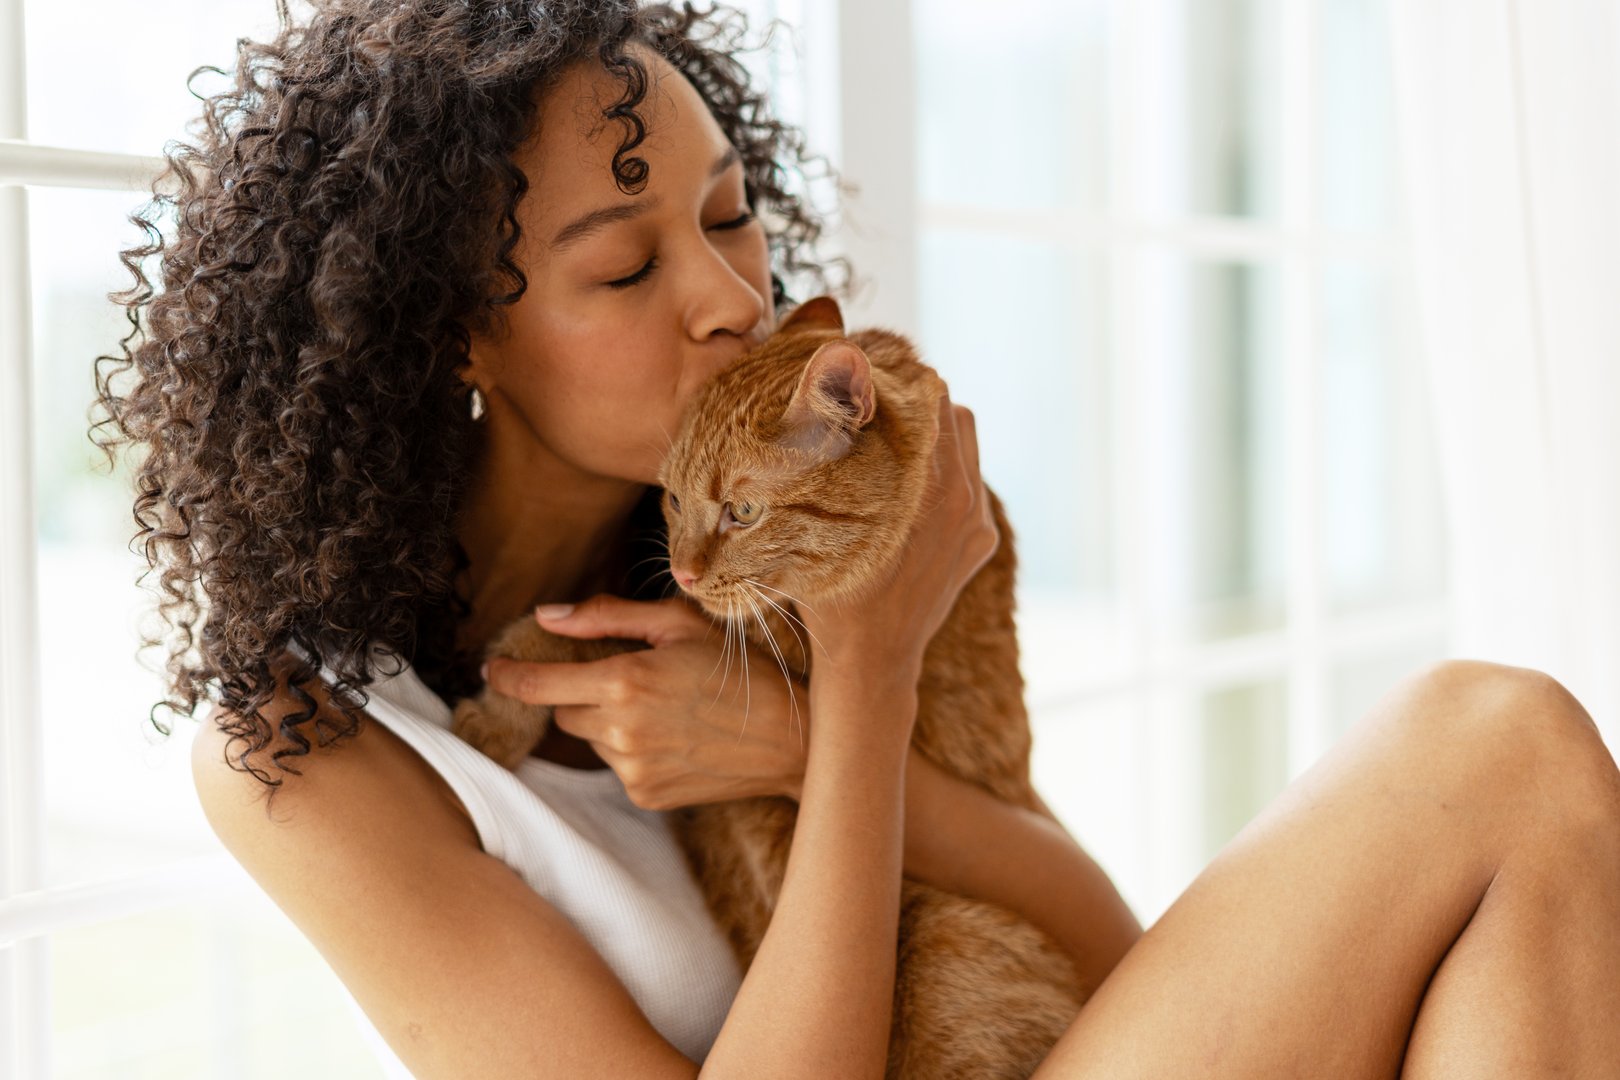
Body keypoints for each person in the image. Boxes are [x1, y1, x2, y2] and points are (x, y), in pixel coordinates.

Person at [92, 2, 1620, 1077]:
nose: (728, 297)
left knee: (1510, 749)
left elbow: (1101, 941)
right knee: (1496, 744)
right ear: (450, 338)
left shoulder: (763, 542)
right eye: (624, 269)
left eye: (731, 213)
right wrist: (866, 683)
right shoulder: (313, 754)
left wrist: (801, 743)